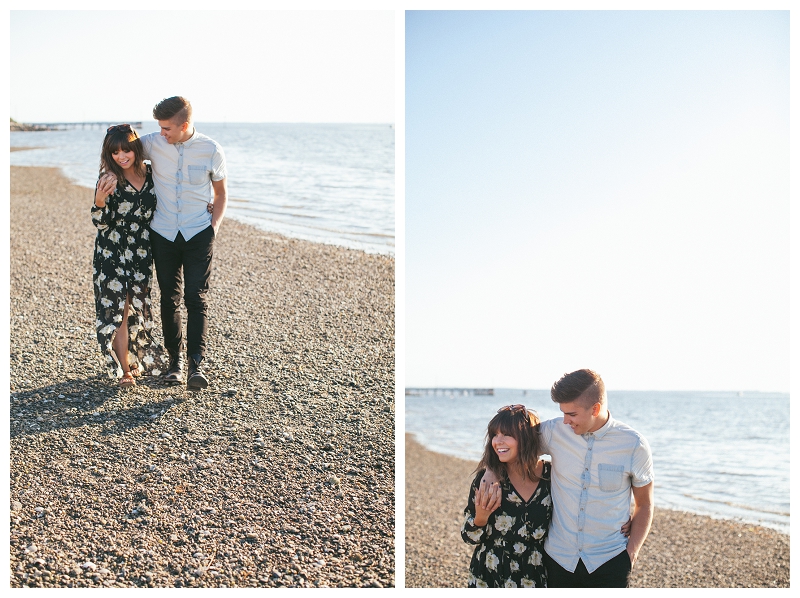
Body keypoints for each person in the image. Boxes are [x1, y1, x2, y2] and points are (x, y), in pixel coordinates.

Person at [481, 369, 654, 588]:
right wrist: (491, 470)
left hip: (610, 560)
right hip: (559, 559)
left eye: (571, 414)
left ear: (596, 408)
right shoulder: (554, 431)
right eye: (562, 412)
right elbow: (509, 444)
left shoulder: (634, 445)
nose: (565, 421)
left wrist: (632, 553)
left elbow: (645, 503)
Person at [140, 96, 228, 390]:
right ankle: (175, 362)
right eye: (160, 128)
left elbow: (221, 195)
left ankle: (196, 364)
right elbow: (120, 152)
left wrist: (213, 228)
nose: (161, 133)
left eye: (167, 128)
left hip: (198, 233)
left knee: (196, 297)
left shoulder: (211, 149)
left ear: (185, 125)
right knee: (169, 298)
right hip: (163, 233)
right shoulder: (152, 143)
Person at [91, 124, 169, 387]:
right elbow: (99, 221)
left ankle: (132, 359)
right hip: (111, 249)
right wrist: (100, 199)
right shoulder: (109, 177)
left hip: (140, 250)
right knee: (119, 309)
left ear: (135, 148)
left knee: (137, 305)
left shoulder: (151, 173)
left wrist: (205, 202)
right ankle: (124, 368)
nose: (121, 157)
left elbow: (172, 196)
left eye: (126, 150)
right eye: (115, 153)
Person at [462, 405, 553, 588]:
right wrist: (481, 517)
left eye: (507, 435)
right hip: (490, 572)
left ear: (526, 438)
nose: (498, 441)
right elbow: (469, 537)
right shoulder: (487, 480)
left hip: (536, 572)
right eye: (494, 435)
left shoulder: (551, 476)